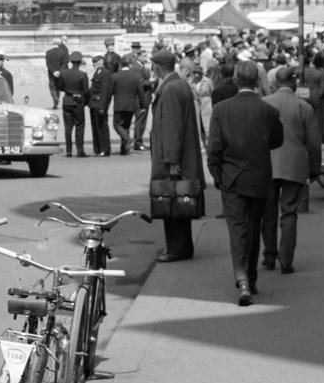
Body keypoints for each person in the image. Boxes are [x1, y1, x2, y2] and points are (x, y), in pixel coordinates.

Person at [206, 60, 284, 306]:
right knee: (253, 228)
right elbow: (276, 140)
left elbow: (214, 148)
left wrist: (217, 175)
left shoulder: (221, 110)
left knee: (237, 230)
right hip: (259, 176)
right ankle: (250, 275)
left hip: (232, 178)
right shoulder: (268, 110)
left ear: (237, 80)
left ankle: (242, 279)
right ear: (256, 80)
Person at [262, 65, 322, 274]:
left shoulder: (265, 104)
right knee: (289, 213)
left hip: (267, 165)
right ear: (294, 83)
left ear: (276, 83)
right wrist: (315, 168)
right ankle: (286, 259)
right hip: (295, 166)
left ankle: (269, 256)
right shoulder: (303, 107)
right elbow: (314, 142)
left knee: (267, 213)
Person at [148, 47, 205, 262]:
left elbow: (172, 128)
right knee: (180, 203)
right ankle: (183, 246)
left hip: (171, 159)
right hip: (180, 156)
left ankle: (176, 248)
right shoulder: (178, 85)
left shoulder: (171, 89)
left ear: (157, 66)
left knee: (171, 203)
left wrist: (171, 161)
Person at [58, 50, 91, 158]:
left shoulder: (64, 73)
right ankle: (80, 150)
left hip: (67, 100)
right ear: (80, 61)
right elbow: (86, 91)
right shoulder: (82, 75)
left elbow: (60, 87)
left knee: (68, 128)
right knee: (79, 126)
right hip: (78, 101)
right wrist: (84, 101)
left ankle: (69, 150)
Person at [111, 54, 143, 155]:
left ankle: (127, 139)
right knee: (126, 126)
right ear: (129, 66)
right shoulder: (136, 77)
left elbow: (111, 91)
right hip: (131, 104)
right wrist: (142, 105)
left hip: (119, 104)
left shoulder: (115, 76)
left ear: (120, 66)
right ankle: (124, 149)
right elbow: (140, 92)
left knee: (117, 124)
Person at [88, 54, 113, 156]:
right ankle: (98, 148)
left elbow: (105, 91)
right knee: (96, 127)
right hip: (94, 103)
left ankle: (104, 149)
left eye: (95, 61)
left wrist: (103, 107)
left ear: (101, 62)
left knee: (102, 127)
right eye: (93, 61)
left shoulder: (105, 73)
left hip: (99, 104)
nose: (93, 63)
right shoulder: (98, 72)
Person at [43, 37, 69, 108]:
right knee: (58, 87)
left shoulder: (48, 52)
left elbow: (48, 64)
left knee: (52, 86)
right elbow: (65, 63)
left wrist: (53, 71)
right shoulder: (63, 52)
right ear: (59, 44)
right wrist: (59, 71)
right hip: (61, 72)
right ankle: (56, 101)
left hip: (51, 73)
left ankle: (55, 99)